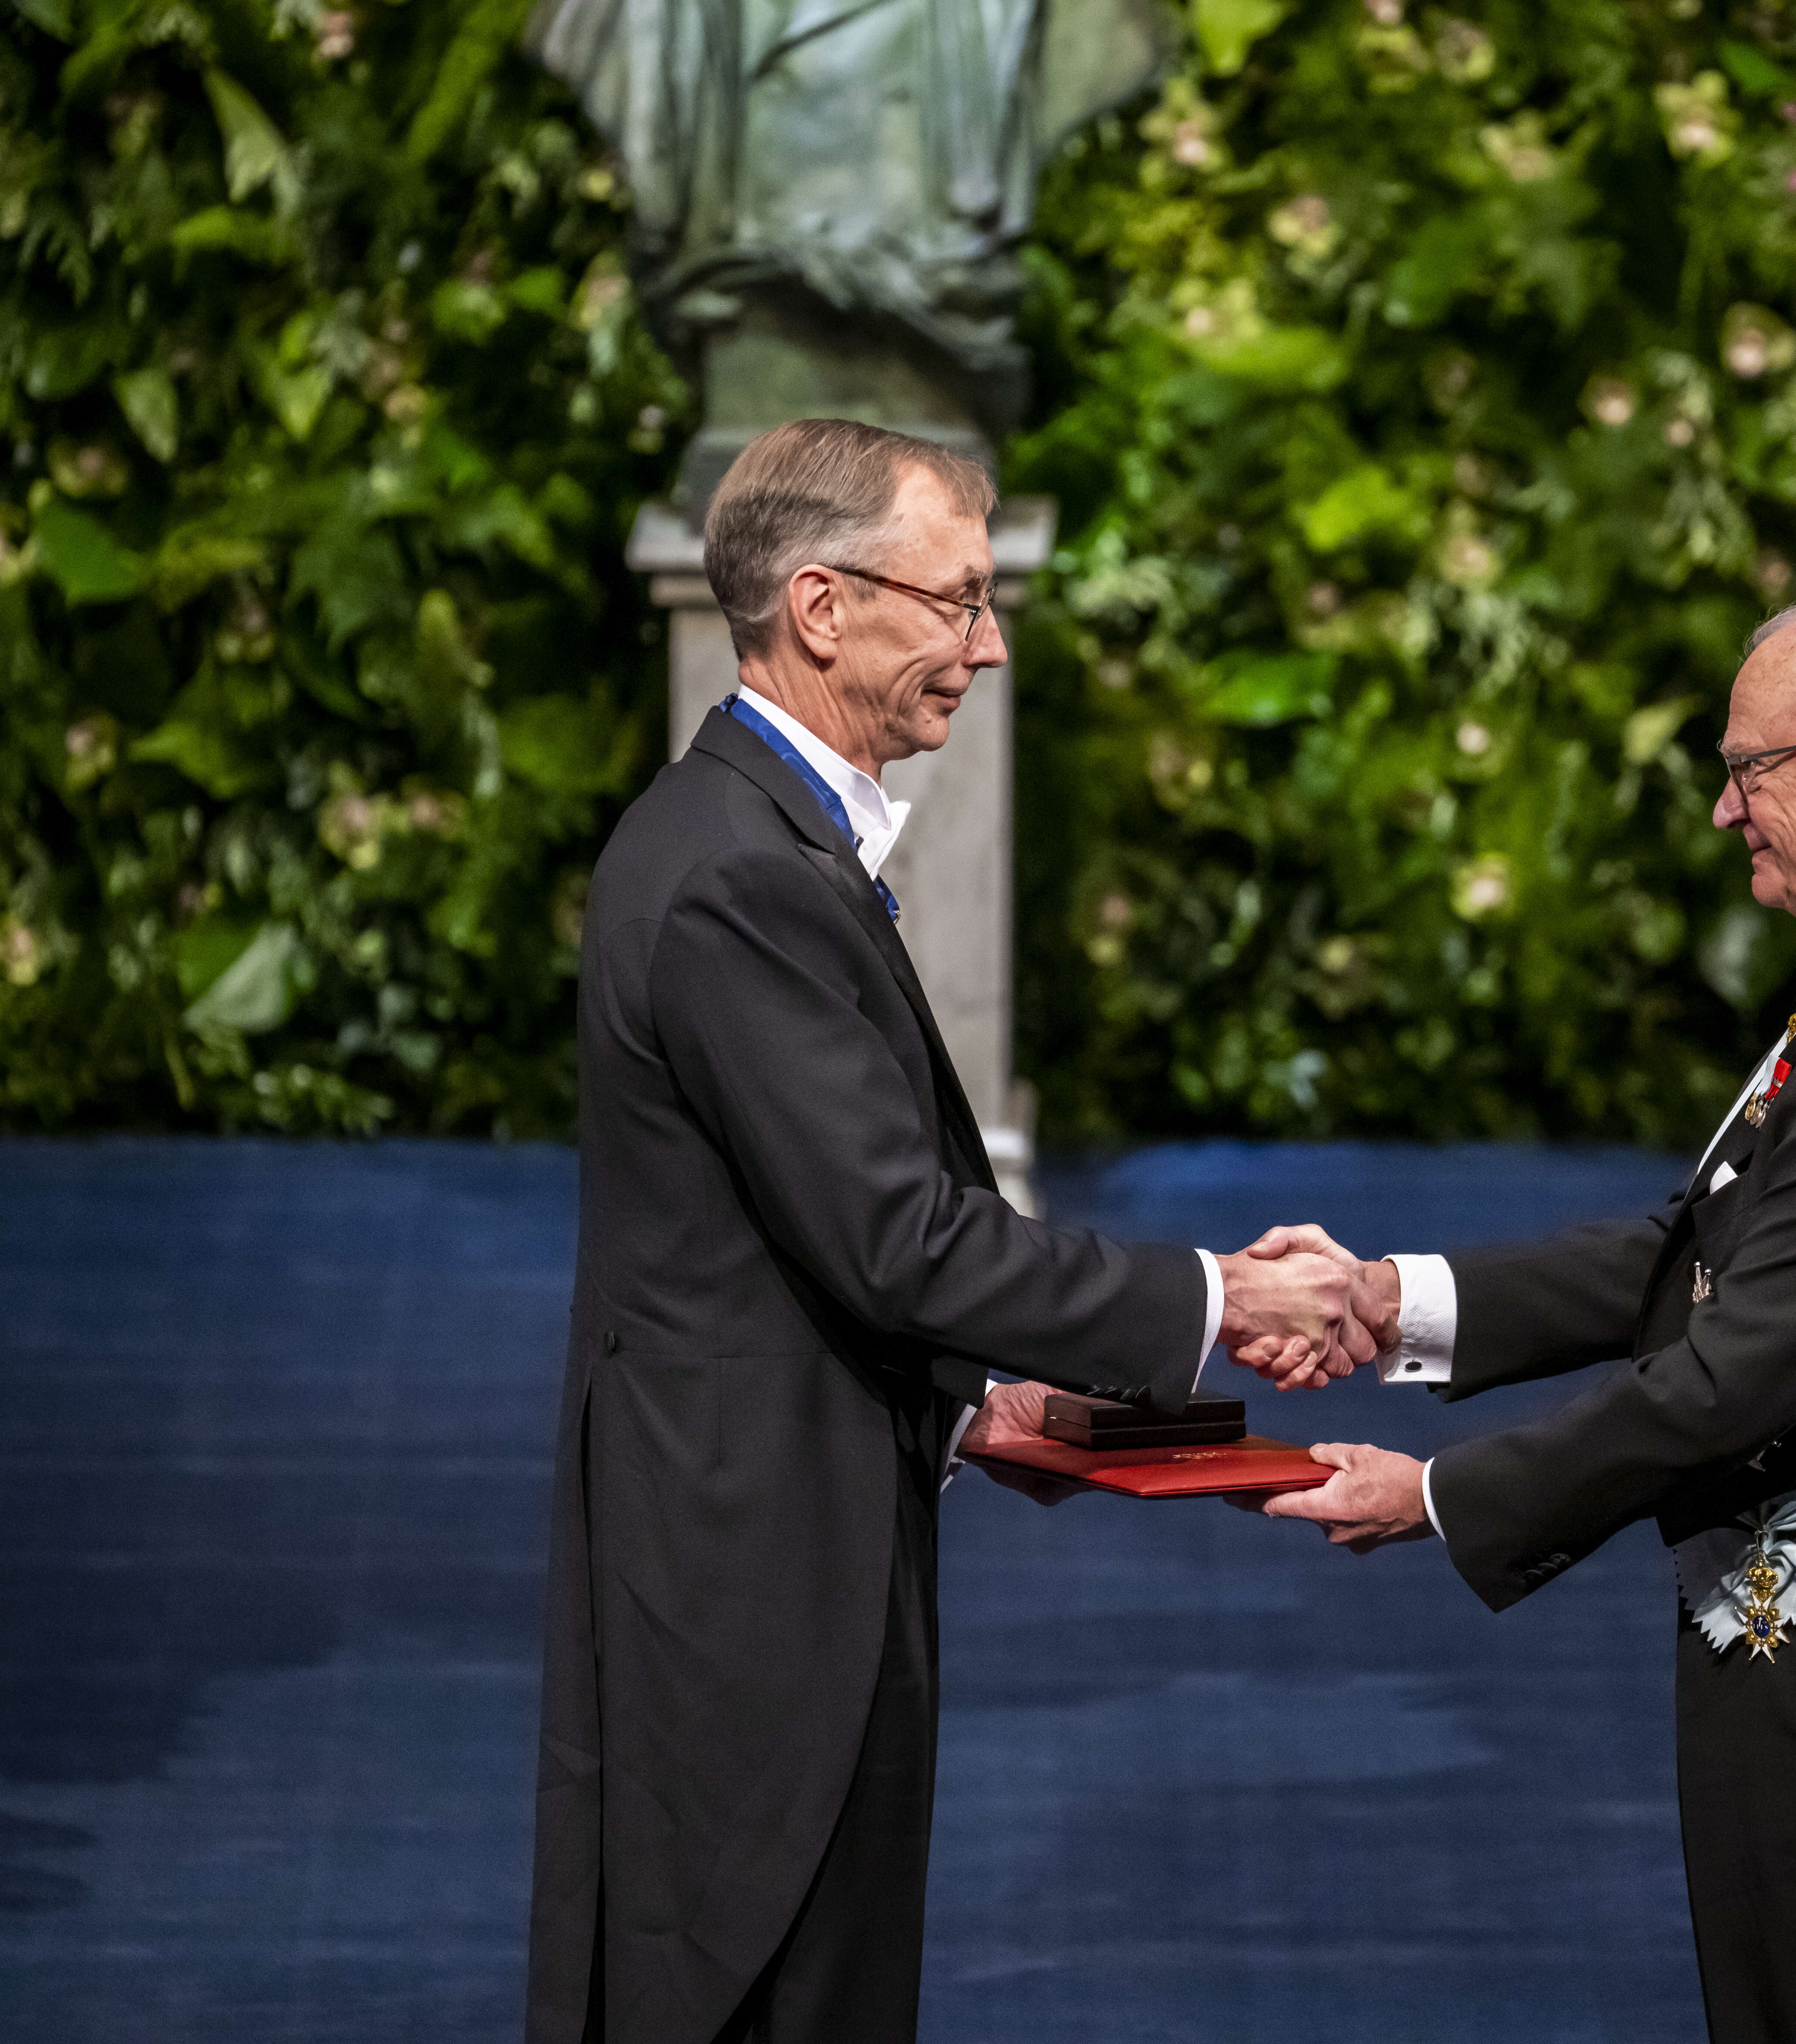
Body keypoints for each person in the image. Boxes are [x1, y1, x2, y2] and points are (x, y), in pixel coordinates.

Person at [524, 418, 1365, 2044]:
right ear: (824, 607)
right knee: (758, 1981)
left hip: (792, 1520)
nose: (987, 644)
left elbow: (791, 1240)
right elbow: (898, 1239)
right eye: (960, 600)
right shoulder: (739, 874)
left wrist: (973, 1406)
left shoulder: (757, 837)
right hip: (756, 1580)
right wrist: (1219, 1292)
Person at [1249, 588, 1796, 2044]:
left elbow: (1730, 1375)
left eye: (1753, 766)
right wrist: (1397, 1300)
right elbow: (1702, 1249)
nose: (1725, 810)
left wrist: (1444, 1494)